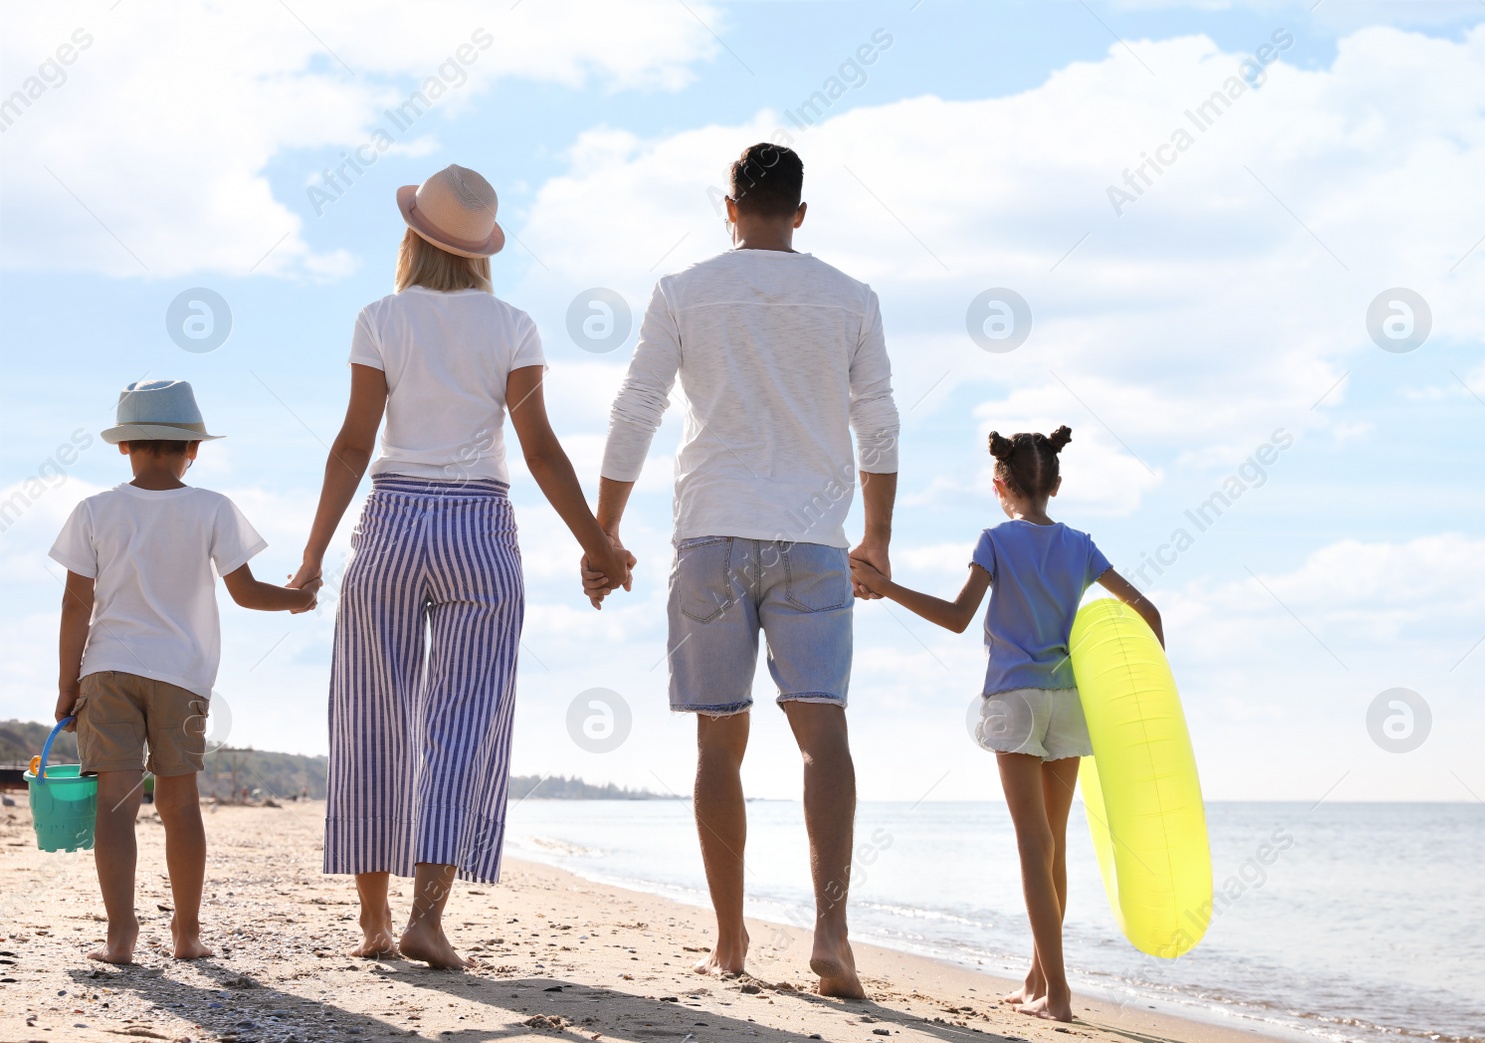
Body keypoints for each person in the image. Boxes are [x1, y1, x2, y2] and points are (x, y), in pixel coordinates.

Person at [288, 164, 631, 969]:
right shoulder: (513, 324)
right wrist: (596, 542)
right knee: (465, 722)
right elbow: (541, 450)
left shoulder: (379, 317)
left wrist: (311, 555)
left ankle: (373, 919)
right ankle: (428, 918)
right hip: (479, 524)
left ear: (413, 235)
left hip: (393, 523)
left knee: (372, 716)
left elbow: (351, 443)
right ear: (482, 250)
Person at [585, 143, 899, 998]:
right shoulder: (851, 298)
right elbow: (878, 419)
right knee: (822, 732)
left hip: (714, 532)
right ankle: (831, 932)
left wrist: (606, 530)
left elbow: (637, 407)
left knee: (719, 742)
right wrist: (877, 534)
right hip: (814, 541)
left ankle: (729, 939)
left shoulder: (685, 290)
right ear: (800, 212)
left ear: (728, 207)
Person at [849, 426, 1163, 1023]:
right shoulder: (1080, 545)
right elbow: (1145, 611)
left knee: (1031, 845)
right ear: (1057, 484)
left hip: (1016, 701)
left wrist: (887, 589)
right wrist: (1151, 702)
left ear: (1001, 484)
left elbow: (957, 618)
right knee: (1054, 845)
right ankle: (1036, 979)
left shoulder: (996, 540)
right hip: (1071, 702)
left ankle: (1060, 995)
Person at [50, 379, 319, 964]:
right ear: (192, 448)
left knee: (115, 805)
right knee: (180, 806)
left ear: (125, 446)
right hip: (182, 676)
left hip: (107, 671)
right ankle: (187, 932)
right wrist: (296, 599)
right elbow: (246, 593)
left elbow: (76, 604)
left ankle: (120, 936)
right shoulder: (212, 507)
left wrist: (68, 685)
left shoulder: (94, 510)